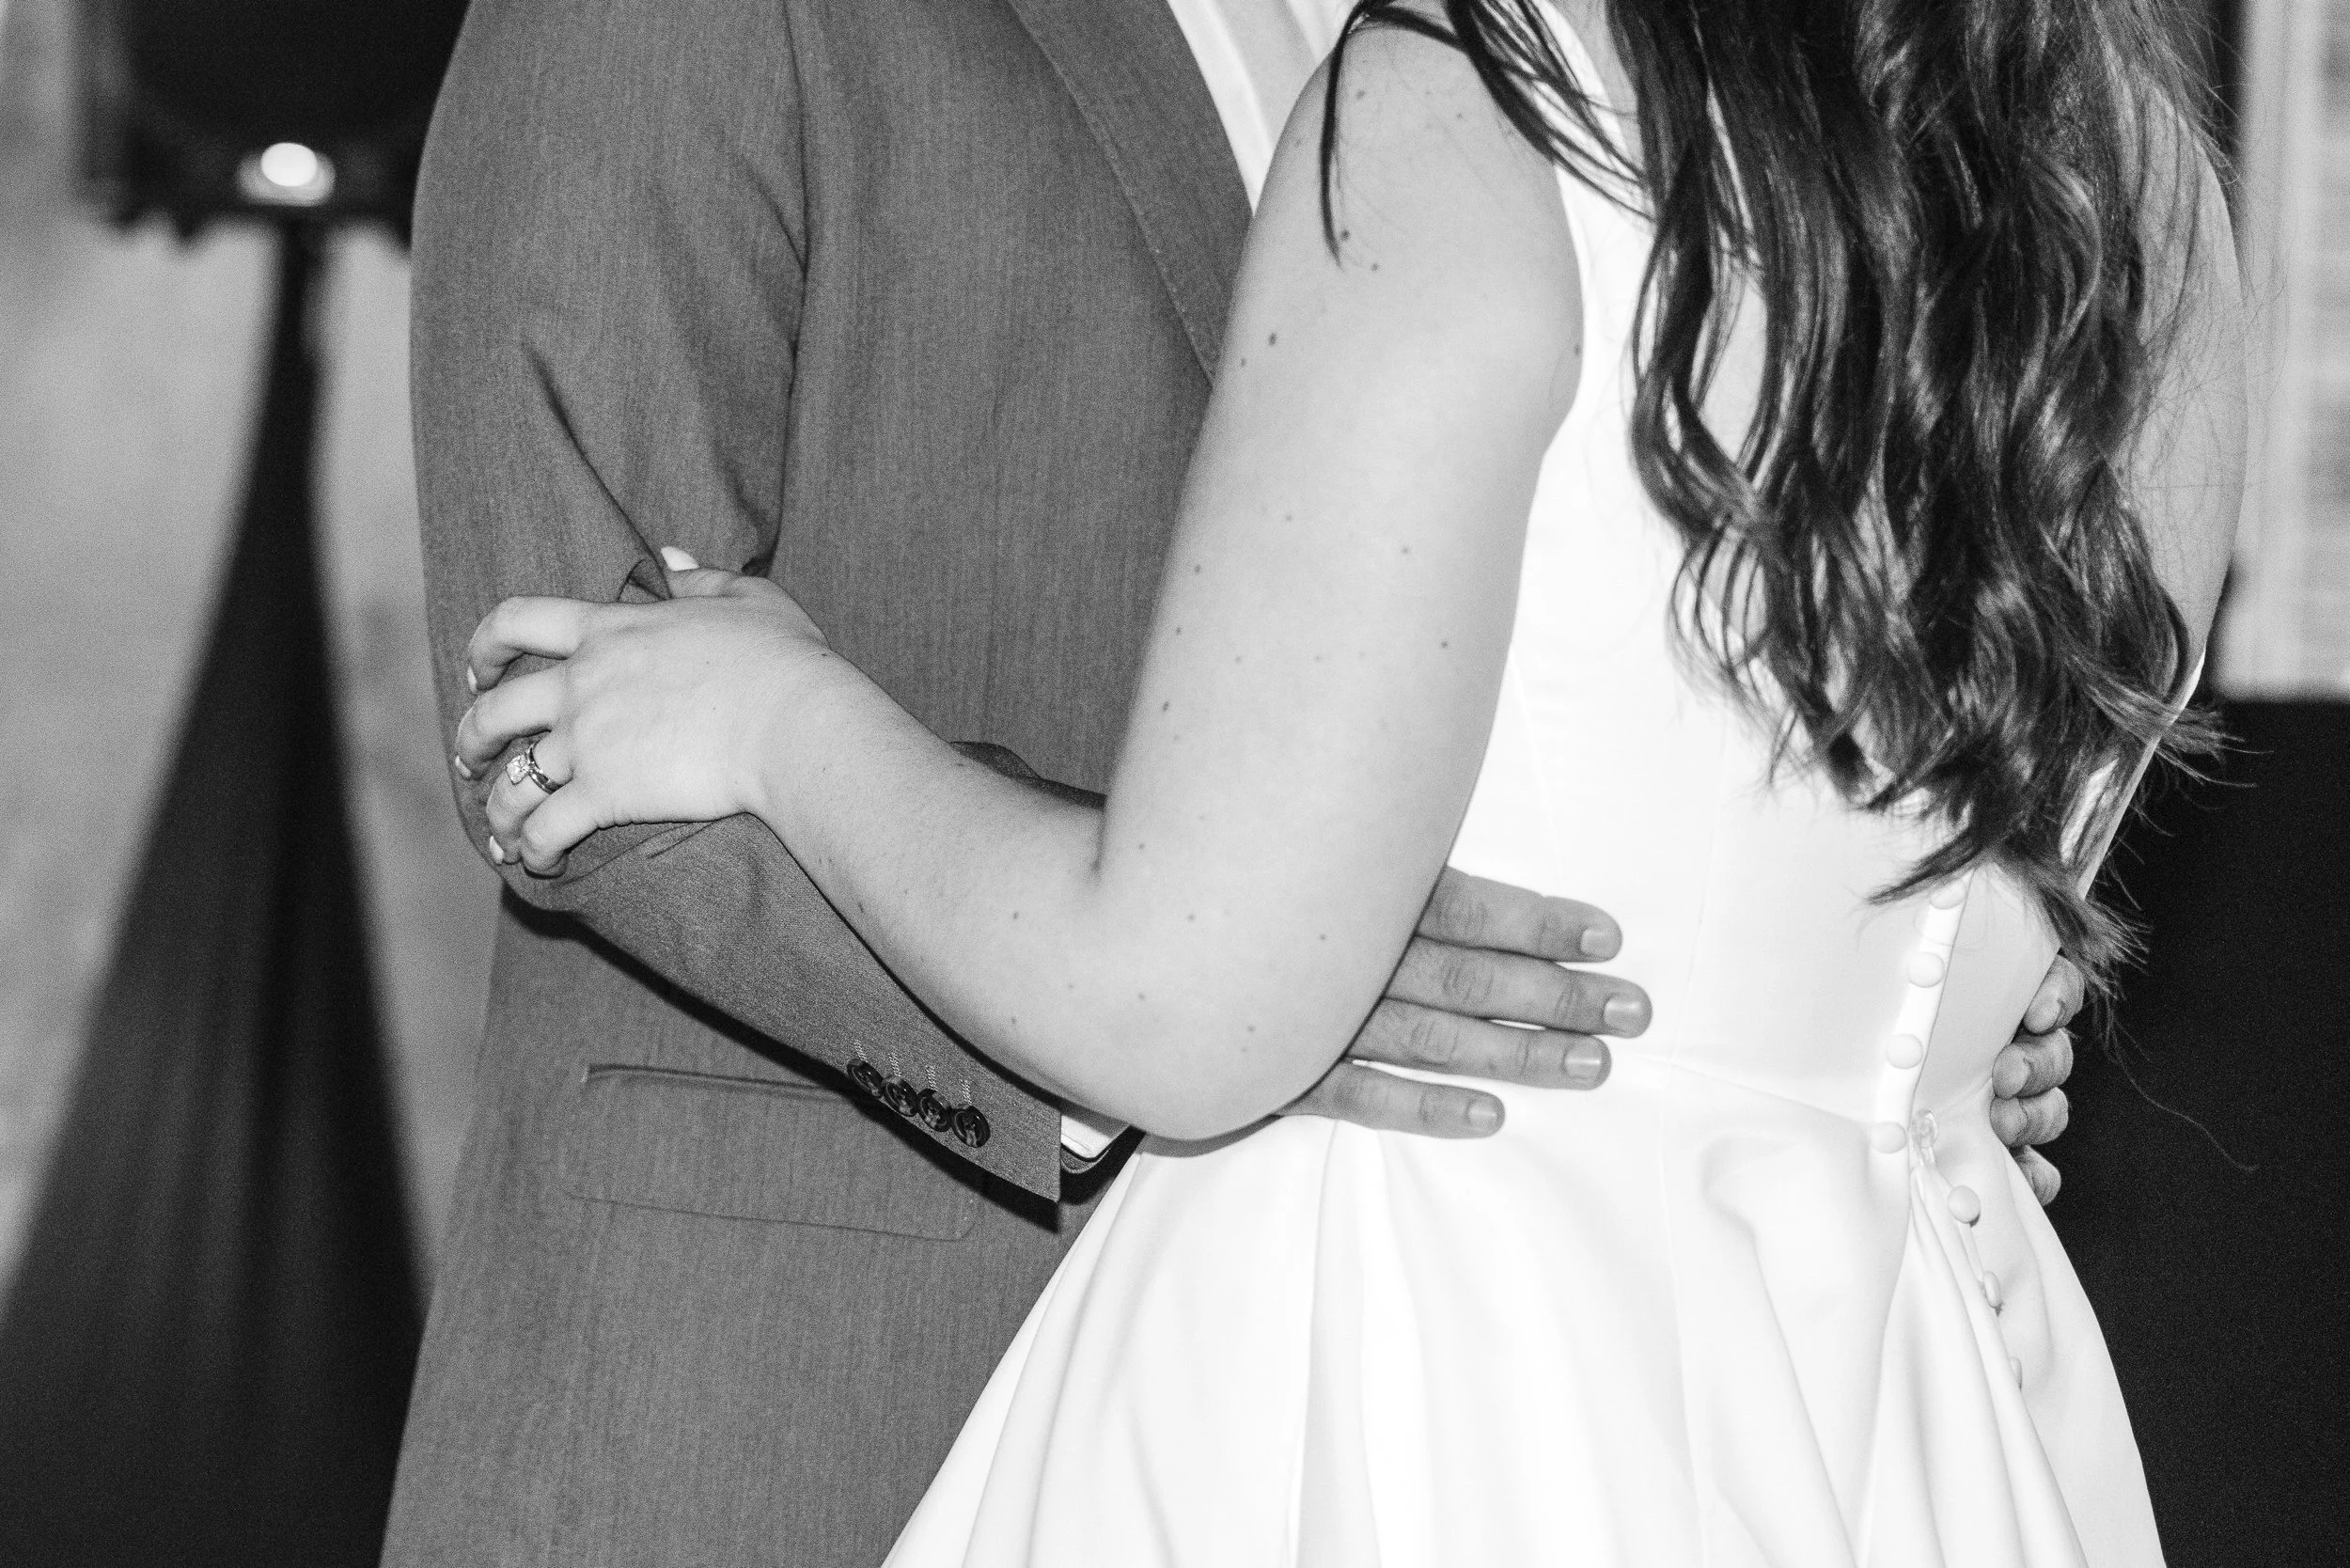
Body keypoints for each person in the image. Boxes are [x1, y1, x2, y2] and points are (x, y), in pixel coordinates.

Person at [395, 0, 2092, 1562]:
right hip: (788, 1375)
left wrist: (1900, 1005)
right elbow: (550, 700)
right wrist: (1235, 975)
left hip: (1508, 1373)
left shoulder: (1670, 61)